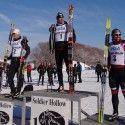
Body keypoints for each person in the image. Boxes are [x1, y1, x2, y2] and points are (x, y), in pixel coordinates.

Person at [49, 12, 76, 92]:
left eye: (61, 18)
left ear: (63, 18)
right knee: (59, 69)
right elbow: (51, 36)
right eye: (58, 18)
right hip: (57, 50)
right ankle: (61, 85)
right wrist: (50, 30)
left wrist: (73, 41)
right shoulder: (55, 26)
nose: (60, 19)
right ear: (56, 19)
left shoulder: (68, 25)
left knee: (69, 68)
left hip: (66, 49)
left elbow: (73, 34)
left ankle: (71, 85)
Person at [7, 29, 30, 97]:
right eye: (13, 34)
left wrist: (24, 57)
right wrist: (8, 57)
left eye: (15, 34)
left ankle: (18, 91)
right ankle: (13, 90)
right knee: (9, 77)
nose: (13, 35)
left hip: (20, 61)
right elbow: (13, 53)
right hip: (13, 61)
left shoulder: (22, 41)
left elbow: (28, 50)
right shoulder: (13, 42)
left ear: (18, 34)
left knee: (20, 77)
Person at [108, 28, 125, 121]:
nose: (118, 36)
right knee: (114, 94)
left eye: (119, 34)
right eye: (116, 35)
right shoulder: (109, 45)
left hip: (123, 72)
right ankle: (115, 112)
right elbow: (108, 57)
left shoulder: (124, 44)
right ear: (112, 36)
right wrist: (107, 65)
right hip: (113, 73)